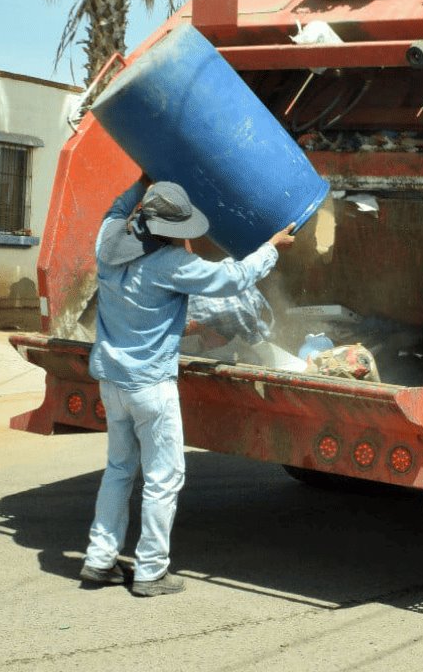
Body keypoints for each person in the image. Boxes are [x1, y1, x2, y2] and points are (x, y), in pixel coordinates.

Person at [79, 176, 295, 597]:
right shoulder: (169, 266)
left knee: (120, 470)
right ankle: (151, 572)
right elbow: (233, 279)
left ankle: (98, 560)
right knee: (164, 478)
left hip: (112, 379)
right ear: (172, 231)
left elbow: (114, 210)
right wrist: (271, 248)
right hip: (151, 386)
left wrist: (141, 182)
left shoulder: (107, 243)